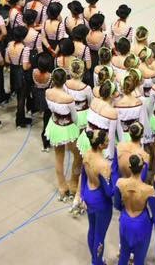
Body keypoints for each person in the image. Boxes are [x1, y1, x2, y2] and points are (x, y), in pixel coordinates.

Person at [45, 67, 82, 200]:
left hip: (55, 124)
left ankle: (62, 187)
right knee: (78, 154)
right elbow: (75, 116)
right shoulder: (68, 98)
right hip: (68, 127)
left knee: (59, 157)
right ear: (65, 80)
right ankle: (73, 182)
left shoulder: (48, 92)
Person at [114, 154, 155, 265]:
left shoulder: (120, 183)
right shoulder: (148, 189)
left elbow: (116, 204)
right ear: (142, 168)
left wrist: (124, 210)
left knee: (123, 255)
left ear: (130, 167)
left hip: (125, 221)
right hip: (141, 224)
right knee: (139, 259)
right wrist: (151, 222)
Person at [81, 128, 114, 265]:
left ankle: (95, 259)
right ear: (101, 145)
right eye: (107, 140)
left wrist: (82, 194)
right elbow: (109, 192)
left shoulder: (87, 154)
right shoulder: (104, 165)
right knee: (100, 234)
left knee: (93, 229)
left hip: (89, 193)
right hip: (101, 201)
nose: (109, 140)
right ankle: (97, 262)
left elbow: (83, 176)